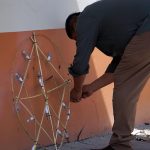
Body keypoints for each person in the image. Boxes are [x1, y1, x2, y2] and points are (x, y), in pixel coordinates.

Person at [65, 0, 150, 149]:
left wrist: (77, 90)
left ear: (75, 25)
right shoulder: (111, 22)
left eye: (77, 38)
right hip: (144, 29)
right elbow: (121, 65)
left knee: (125, 90)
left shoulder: (85, 18)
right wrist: (91, 87)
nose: (81, 41)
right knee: (126, 82)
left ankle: (120, 145)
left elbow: (81, 61)